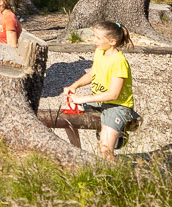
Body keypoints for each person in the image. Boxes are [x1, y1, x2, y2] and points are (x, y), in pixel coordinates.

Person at [59, 20, 137, 160]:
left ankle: (114, 174)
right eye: (94, 36)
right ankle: (78, 155)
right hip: (101, 101)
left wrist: (83, 99)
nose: (93, 40)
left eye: (97, 38)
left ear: (112, 41)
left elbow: (113, 94)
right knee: (68, 114)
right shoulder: (100, 51)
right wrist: (74, 86)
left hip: (117, 106)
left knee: (105, 149)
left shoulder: (118, 62)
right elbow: (92, 74)